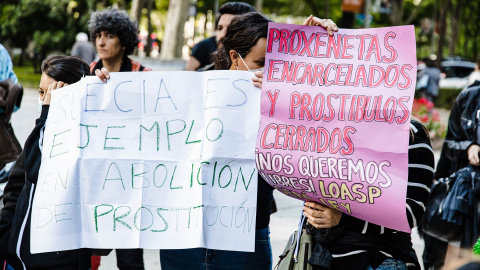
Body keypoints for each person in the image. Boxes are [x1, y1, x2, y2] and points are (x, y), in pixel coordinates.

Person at [158, 12, 338, 270]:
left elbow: (316, 141)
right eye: (261, 62)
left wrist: (317, 42)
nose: (269, 71)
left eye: (275, 64)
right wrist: (103, 88)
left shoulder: (285, 95)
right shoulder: (193, 88)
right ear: (234, 57)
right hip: (183, 240)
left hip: (246, 240)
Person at [303, 118, 434, 270]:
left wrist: (342, 218)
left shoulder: (411, 134)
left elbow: (410, 213)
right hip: (325, 259)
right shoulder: (333, 126)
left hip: (379, 259)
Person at [0, 55, 93, 270]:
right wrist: (6, 237)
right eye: (42, 93)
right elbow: (18, 184)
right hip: (17, 259)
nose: (45, 102)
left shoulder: (90, 140)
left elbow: (39, 169)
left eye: (53, 96)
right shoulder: (39, 134)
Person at [88, 7, 150, 269]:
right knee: (87, 252)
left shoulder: (145, 77)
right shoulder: (83, 75)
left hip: (131, 183)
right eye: (98, 35)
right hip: (94, 180)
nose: (101, 42)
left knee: (130, 259)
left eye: (109, 35)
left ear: (124, 40)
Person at [427, 58, 480, 269]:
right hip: (464, 198)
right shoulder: (469, 98)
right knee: (456, 255)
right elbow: (449, 144)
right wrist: (468, 147)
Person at [187, 2, 256, 71]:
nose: (222, 35)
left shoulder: (260, 73)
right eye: (220, 28)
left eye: (231, 29)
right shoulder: (204, 72)